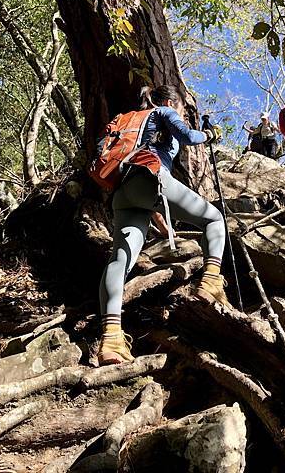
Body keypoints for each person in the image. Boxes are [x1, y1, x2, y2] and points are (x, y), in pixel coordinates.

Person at [98, 85, 229, 366]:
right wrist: (210, 134)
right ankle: (210, 283)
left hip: (124, 191)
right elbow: (189, 137)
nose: (181, 112)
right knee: (215, 218)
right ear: (171, 101)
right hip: (151, 174)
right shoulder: (165, 111)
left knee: (120, 260)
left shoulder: (129, 119)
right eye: (182, 107)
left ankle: (111, 338)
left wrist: (162, 224)